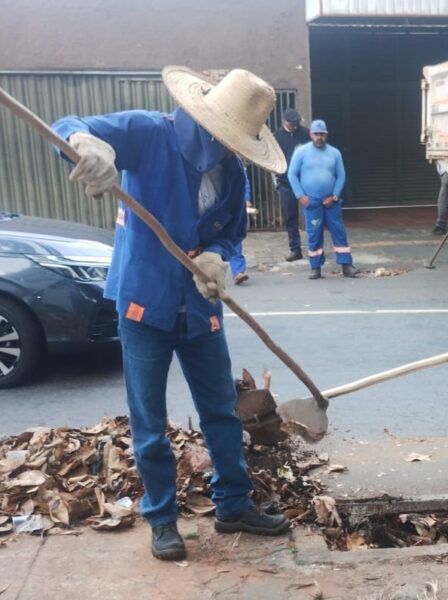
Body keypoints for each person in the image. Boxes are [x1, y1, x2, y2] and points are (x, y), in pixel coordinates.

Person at [53, 67, 292, 561]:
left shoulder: (232, 172)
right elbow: (68, 124)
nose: (230, 150)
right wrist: (86, 146)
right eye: (227, 140)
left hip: (200, 308)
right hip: (145, 306)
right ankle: (162, 519)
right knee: (150, 422)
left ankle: (232, 505)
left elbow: (231, 232)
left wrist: (219, 256)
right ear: (207, 123)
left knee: (221, 411)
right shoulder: (148, 134)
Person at [287, 119, 357, 280]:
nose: (319, 137)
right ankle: (315, 267)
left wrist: (335, 196)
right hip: (311, 201)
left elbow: (341, 176)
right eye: (316, 134)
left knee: (339, 232)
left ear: (326, 135)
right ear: (311, 135)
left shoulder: (335, 153)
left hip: (331, 201)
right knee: (314, 234)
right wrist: (300, 196)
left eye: (322, 134)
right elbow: (292, 174)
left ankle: (347, 265)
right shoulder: (301, 152)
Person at [273, 108, 309, 262]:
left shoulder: (305, 133)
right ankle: (295, 249)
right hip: (286, 183)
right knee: (291, 218)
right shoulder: (276, 136)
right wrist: (277, 180)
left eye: (296, 124)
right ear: (284, 121)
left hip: (305, 181)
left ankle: (315, 248)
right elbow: (273, 159)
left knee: (312, 215)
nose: (294, 126)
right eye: (291, 124)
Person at [230, 170, 252, 285]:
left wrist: (246, 198)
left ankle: (238, 271)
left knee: (235, 237)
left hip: (234, 203)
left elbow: (244, 180)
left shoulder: (236, 163)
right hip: (215, 204)